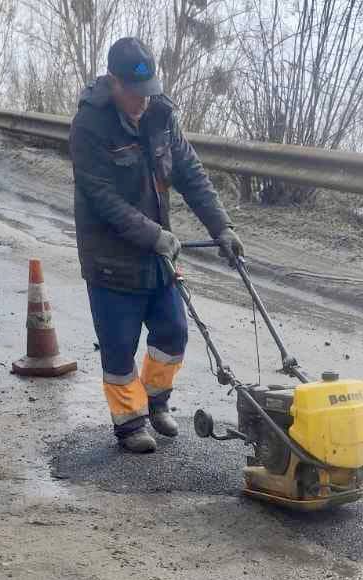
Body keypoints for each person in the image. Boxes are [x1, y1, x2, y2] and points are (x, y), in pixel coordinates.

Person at [70, 37, 244, 454]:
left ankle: (155, 401)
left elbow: (191, 173)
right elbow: (102, 198)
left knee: (173, 332)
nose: (142, 101)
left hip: (157, 258)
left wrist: (222, 226)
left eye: (148, 92)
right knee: (119, 347)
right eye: (134, 93)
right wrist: (154, 235)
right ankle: (130, 423)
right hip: (111, 260)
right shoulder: (89, 126)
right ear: (113, 82)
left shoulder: (161, 115)